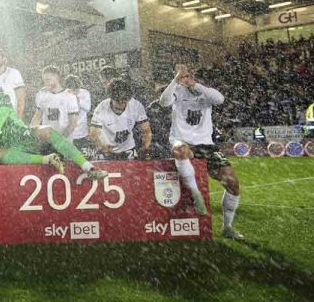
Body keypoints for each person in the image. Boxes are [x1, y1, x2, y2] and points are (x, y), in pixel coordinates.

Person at [159, 64, 243, 239]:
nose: (185, 79)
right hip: (182, 140)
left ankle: (227, 227)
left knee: (233, 184)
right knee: (180, 150)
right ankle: (196, 195)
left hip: (206, 144)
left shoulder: (205, 92)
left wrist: (194, 84)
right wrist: (176, 80)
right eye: (182, 76)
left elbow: (219, 99)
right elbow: (163, 101)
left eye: (187, 76)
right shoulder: (177, 91)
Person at [0, 78, 107, 180]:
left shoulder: (2, 99)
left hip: (24, 136)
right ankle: (47, 159)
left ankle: (88, 167)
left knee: (47, 130)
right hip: (9, 148)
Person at [89, 79, 152, 160]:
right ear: (111, 98)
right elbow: (93, 133)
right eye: (118, 101)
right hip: (107, 148)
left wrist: (144, 148)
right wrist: (102, 147)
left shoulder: (136, 106)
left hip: (128, 148)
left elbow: (146, 130)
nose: (121, 105)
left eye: (124, 101)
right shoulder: (101, 108)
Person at [31, 66, 78, 138]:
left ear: (56, 77)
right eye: (44, 80)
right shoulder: (42, 95)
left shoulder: (69, 96)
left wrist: (59, 140)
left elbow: (73, 123)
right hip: (46, 140)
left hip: (64, 142)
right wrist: (29, 132)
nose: (45, 83)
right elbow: (37, 117)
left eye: (48, 79)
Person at [0, 48, 27, 120]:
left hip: (11, 118)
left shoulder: (14, 73)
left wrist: (18, 119)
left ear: (4, 59)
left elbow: (21, 98)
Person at [64, 75, 93, 155]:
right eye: (71, 89)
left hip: (82, 132)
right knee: (69, 158)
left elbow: (88, 108)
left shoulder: (85, 93)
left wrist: (77, 99)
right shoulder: (64, 94)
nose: (73, 91)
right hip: (69, 133)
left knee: (84, 157)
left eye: (75, 89)